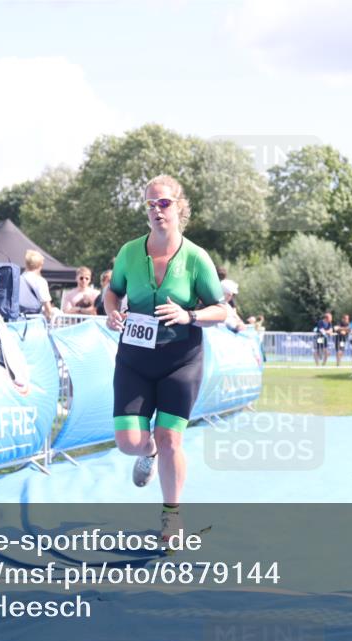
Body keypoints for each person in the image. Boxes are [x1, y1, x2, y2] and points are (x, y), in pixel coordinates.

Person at [104, 175, 229, 541]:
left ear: (179, 208)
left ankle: (171, 518)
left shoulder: (196, 258)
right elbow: (112, 293)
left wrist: (189, 315)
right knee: (128, 443)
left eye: (165, 203)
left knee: (172, 438)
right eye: (151, 204)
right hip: (135, 359)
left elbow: (220, 310)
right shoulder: (129, 253)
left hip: (180, 360)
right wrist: (112, 312)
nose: (158, 210)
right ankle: (150, 449)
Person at [19, 249, 54, 320]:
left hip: (19, 319)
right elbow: (47, 306)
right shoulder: (41, 281)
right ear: (40, 265)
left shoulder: (18, 279)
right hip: (35, 320)